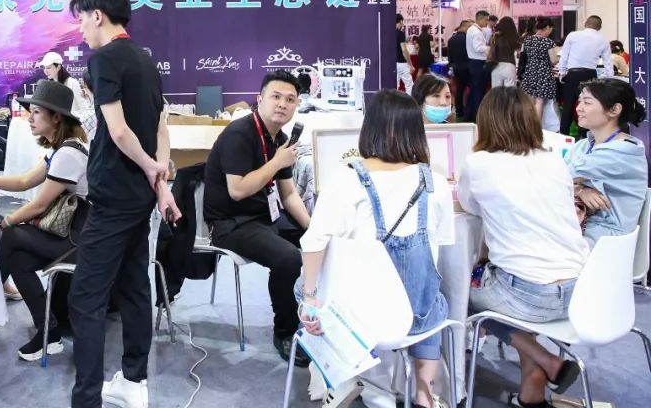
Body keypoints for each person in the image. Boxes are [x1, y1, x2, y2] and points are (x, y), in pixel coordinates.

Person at [65, 0, 181, 408]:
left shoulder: (105, 59)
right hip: (139, 197)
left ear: (97, 15)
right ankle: (134, 382)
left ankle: (86, 398)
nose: (80, 28)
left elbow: (117, 131)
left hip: (113, 196)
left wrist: (151, 168)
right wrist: (159, 183)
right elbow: (161, 128)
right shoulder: (145, 60)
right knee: (134, 285)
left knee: (86, 297)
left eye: (81, 18)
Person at [298, 91, 454, 408]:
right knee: (433, 299)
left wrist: (311, 299)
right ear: (417, 130)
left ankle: (342, 374)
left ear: (369, 128)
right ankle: (425, 393)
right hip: (415, 318)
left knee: (303, 287)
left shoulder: (346, 179)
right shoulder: (435, 183)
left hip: (358, 317)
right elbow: (441, 248)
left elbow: (314, 242)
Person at [459, 88, 588, 407]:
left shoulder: (479, 163)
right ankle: (532, 390)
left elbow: (469, 206)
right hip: (581, 293)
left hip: (528, 295)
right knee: (508, 282)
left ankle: (545, 360)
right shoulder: (554, 160)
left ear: (486, 121)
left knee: (460, 295)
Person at [0, 79, 90, 361]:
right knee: (19, 259)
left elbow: (39, 204)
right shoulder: (61, 149)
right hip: (69, 233)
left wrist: (6, 223)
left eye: (36, 112)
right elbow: (23, 181)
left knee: (11, 235)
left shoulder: (68, 153)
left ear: (56, 118)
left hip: (80, 238)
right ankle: (47, 332)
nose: (30, 118)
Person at [203, 70, 312, 363]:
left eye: (290, 99)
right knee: (289, 259)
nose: (282, 104)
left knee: (321, 242)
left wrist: (313, 228)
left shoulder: (281, 139)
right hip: (230, 223)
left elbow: (288, 195)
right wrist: (277, 162)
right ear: (260, 99)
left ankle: (317, 319)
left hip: (264, 217)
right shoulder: (240, 134)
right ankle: (285, 332)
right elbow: (237, 190)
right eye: (276, 96)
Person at [567, 79, 648, 246]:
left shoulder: (623, 152)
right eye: (580, 101)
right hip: (579, 226)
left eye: (587, 103)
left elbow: (555, 177)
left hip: (605, 239)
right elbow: (557, 176)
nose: (579, 108)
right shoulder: (584, 144)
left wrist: (575, 188)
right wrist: (581, 190)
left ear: (614, 110)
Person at [558, 15, 613, 137]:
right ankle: (584, 135)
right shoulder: (603, 40)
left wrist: (562, 73)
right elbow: (608, 63)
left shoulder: (573, 35)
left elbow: (564, 56)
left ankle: (563, 134)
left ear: (585, 23)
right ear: (599, 27)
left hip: (573, 74)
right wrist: (609, 80)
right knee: (587, 105)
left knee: (568, 105)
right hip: (591, 75)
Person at [519, 17, 558, 124]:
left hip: (529, 73)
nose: (550, 32)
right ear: (547, 27)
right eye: (551, 29)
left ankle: (527, 125)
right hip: (543, 74)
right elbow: (553, 60)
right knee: (539, 102)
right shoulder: (548, 42)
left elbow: (522, 56)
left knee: (529, 102)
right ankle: (536, 127)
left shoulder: (527, 40)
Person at [465, 10, 490, 121]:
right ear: (480, 19)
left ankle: (469, 115)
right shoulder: (476, 31)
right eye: (486, 20)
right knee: (478, 91)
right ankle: (477, 117)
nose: (487, 22)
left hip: (473, 63)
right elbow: (478, 47)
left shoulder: (472, 29)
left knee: (473, 91)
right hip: (478, 64)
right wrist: (490, 49)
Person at [447, 20, 471, 118]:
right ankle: (468, 109)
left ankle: (459, 111)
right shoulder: (468, 39)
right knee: (471, 89)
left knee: (459, 89)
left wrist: (452, 65)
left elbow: (450, 56)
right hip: (468, 67)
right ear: (464, 27)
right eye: (469, 27)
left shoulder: (451, 40)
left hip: (456, 68)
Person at [489, 17, 520, 88]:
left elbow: (489, 49)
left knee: (496, 92)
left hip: (496, 65)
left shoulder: (494, 36)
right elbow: (518, 53)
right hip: (510, 66)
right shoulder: (514, 37)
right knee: (510, 92)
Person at [396, 14, 413, 93]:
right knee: (409, 85)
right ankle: (409, 101)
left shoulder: (388, 33)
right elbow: (404, 50)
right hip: (402, 63)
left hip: (393, 63)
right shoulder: (400, 33)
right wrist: (411, 65)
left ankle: (393, 101)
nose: (403, 24)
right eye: (402, 22)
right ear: (400, 21)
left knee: (395, 86)